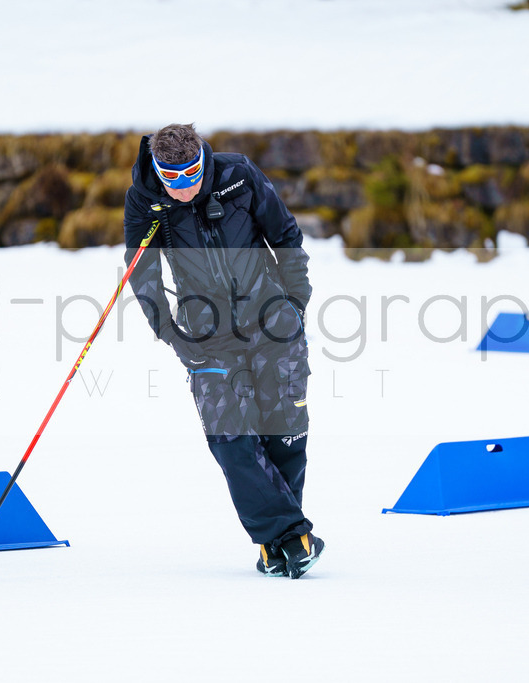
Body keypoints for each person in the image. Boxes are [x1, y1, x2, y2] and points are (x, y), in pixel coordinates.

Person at [123, 123, 323, 578]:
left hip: (273, 320)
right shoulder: (144, 200)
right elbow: (142, 274)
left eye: (192, 173)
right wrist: (173, 337)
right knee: (231, 439)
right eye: (172, 178)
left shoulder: (239, 174)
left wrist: (295, 303)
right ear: (158, 169)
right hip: (206, 338)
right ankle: (293, 534)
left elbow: (286, 236)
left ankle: (280, 545)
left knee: (285, 431)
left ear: (203, 159)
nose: (184, 186)